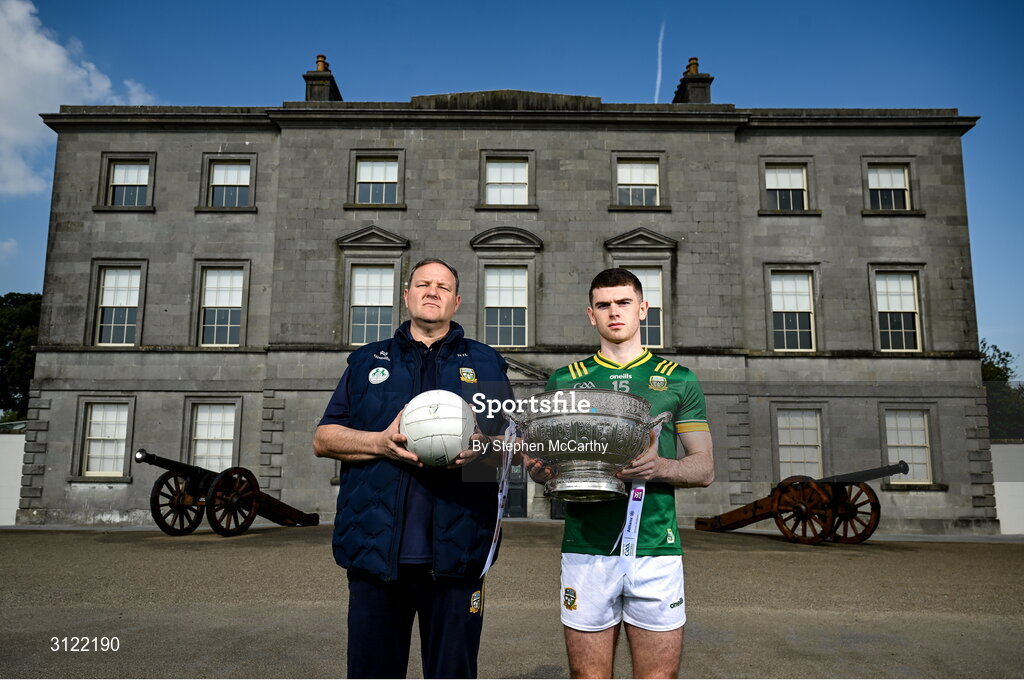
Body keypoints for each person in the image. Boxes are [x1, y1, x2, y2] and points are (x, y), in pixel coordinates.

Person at [313, 258, 513, 679]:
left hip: (458, 556)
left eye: (443, 286)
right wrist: (379, 442)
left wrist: (481, 449)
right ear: (406, 296)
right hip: (376, 555)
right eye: (423, 283)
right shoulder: (367, 363)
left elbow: (511, 449)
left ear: (456, 301)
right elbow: (324, 438)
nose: (432, 291)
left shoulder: (488, 364)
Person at [525, 267, 715, 679]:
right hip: (586, 547)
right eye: (604, 305)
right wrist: (539, 469)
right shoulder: (564, 380)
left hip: (656, 550)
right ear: (590, 315)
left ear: (643, 309)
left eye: (624, 302)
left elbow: (704, 468)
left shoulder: (678, 380)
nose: (614, 312)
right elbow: (543, 464)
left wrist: (661, 466)